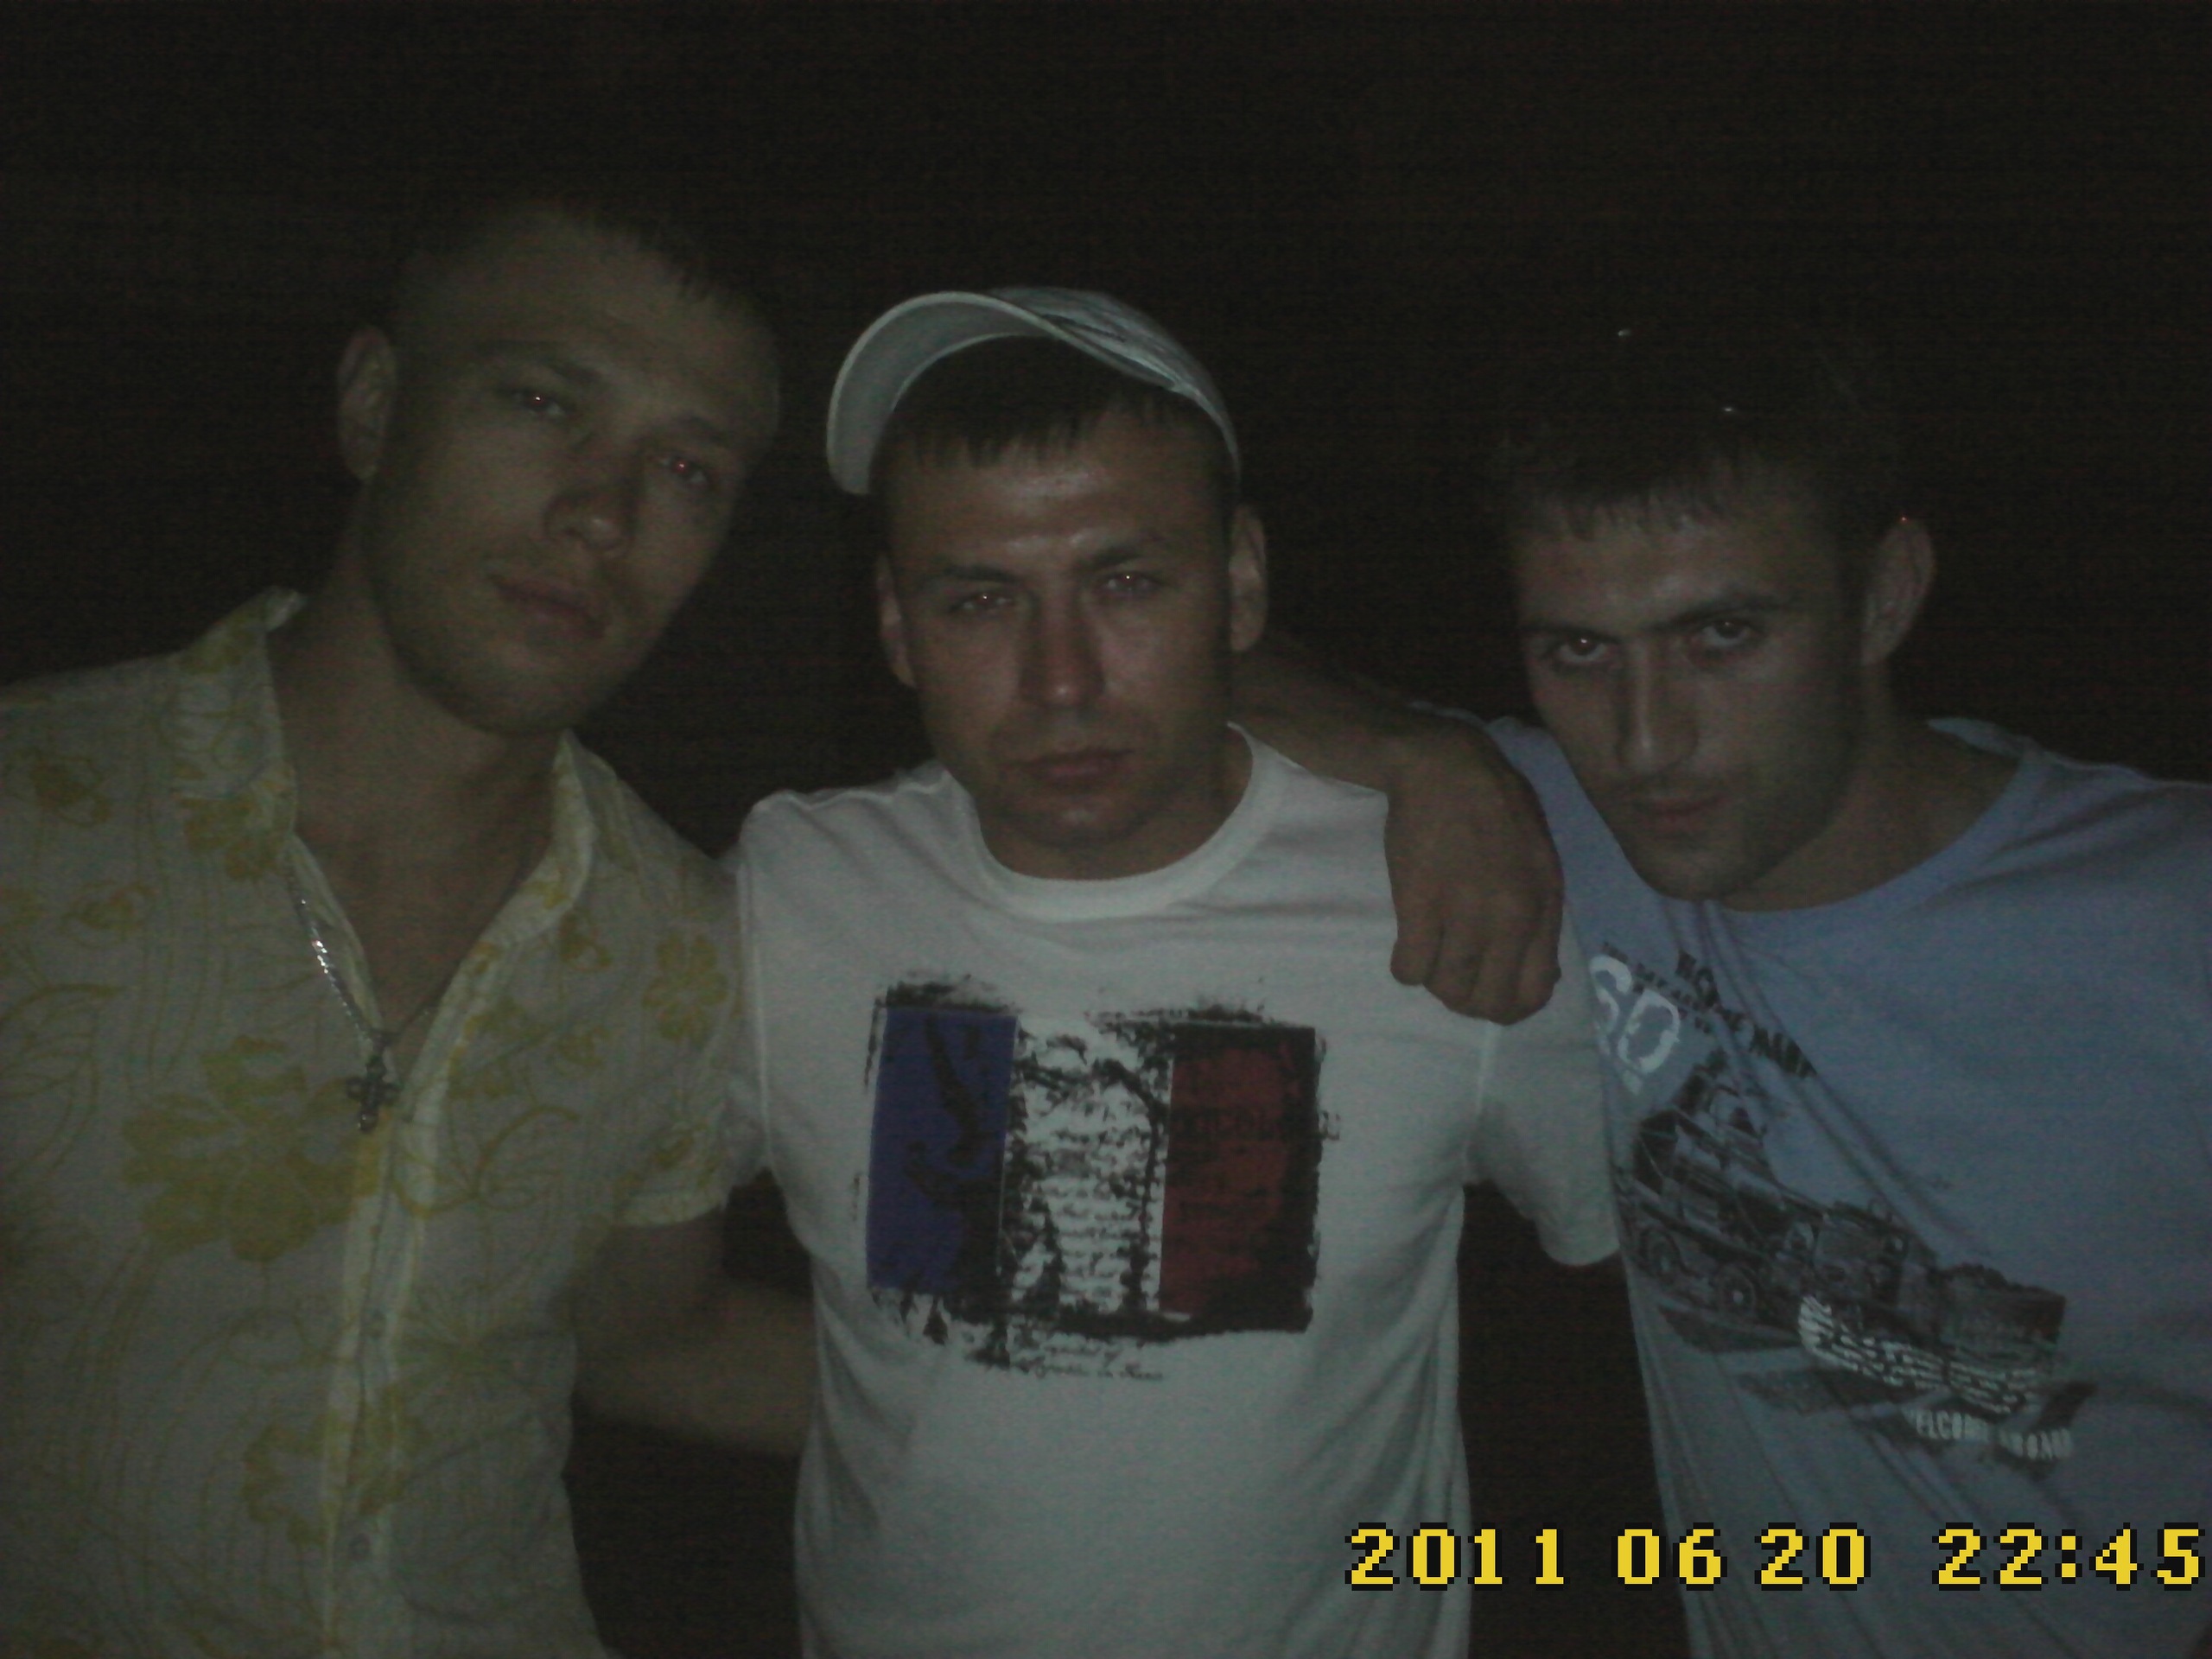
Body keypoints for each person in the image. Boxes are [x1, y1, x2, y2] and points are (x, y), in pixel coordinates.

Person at [1237, 324, 2212, 1658]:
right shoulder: (1549, 829)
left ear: (1885, 596)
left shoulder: (2169, 928)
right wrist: (1426, 756)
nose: (1647, 741)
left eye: (1723, 634)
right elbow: (1186, 667)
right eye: (1579, 652)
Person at [724, 287, 1615, 1657]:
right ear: (897, 625)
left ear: (1242, 583)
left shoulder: (1445, 898)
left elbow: (1655, 1328)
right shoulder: (792, 892)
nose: (1062, 680)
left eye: (1128, 583)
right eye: (981, 601)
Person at [0, 188, 813, 1657]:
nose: (604, 512)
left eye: (688, 468)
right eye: (543, 403)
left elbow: (650, 1344)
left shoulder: (681, 945)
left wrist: (1172, 1419)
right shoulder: (35, 826)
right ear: (376, 407)